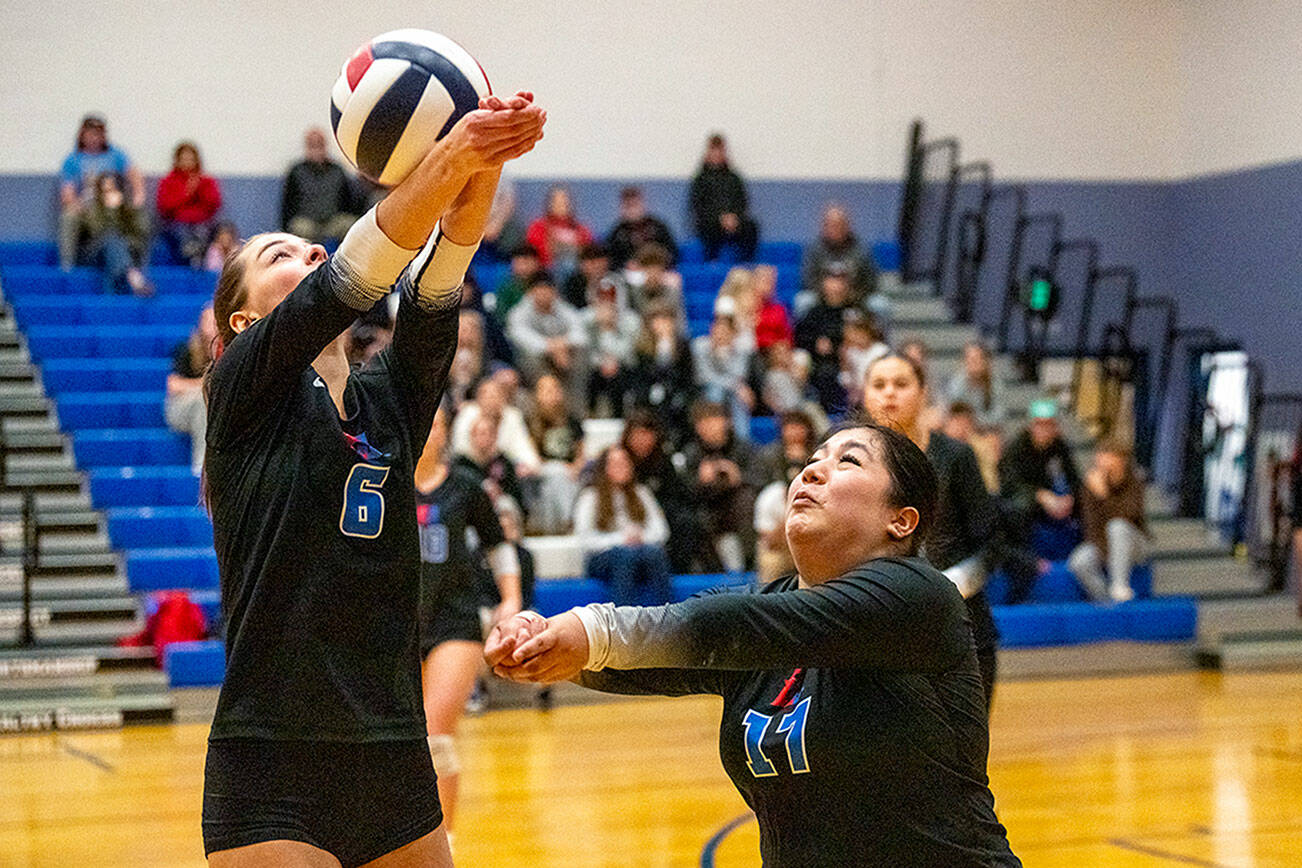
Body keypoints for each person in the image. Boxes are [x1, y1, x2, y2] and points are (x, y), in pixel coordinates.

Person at [200, 91, 544, 867]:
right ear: (245, 326)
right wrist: (452, 151)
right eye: (279, 255)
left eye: (307, 246)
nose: (309, 255)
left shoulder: (388, 403)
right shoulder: (241, 389)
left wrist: (484, 158)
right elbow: (354, 275)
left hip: (392, 753)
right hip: (274, 756)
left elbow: (439, 278)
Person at [486, 415, 1021, 868]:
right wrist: (546, 647)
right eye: (814, 458)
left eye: (848, 462)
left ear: (900, 521)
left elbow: (724, 627)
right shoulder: (765, 619)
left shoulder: (917, 595)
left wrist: (589, 630)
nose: (811, 470)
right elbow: (642, 660)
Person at [862, 353, 1002, 712]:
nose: (889, 393)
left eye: (901, 383)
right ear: (864, 395)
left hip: (960, 629)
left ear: (923, 393)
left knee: (962, 756)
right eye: (879, 385)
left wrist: (948, 586)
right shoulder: (852, 462)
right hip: (881, 634)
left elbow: (991, 541)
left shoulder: (955, 457)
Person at [414, 408, 522, 834]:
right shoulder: (378, 483)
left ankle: (444, 845)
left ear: (445, 433)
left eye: (435, 423)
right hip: (394, 626)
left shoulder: (464, 487)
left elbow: (499, 544)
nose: (427, 430)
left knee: (435, 738)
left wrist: (510, 598)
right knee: (397, 744)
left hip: (453, 621)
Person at [573, 446, 673, 606]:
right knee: (624, 555)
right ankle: (624, 620)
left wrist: (640, 537)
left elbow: (661, 531)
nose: (622, 467)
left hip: (640, 551)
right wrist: (621, 539)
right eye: (615, 463)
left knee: (655, 553)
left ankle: (667, 617)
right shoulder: (590, 497)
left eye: (625, 462)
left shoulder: (642, 492)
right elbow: (586, 540)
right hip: (604, 557)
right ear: (603, 468)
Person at [621, 409, 711, 574]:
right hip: (629, 515)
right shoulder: (619, 460)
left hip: (662, 514)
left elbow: (680, 495)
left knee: (686, 520)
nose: (642, 440)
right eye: (637, 434)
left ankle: (680, 570)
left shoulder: (663, 461)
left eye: (647, 434)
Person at [58, 114, 145, 270]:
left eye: (98, 133)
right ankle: (67, 266)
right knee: (68, 216)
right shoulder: (72, 160)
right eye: (90, 133)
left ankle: (138, 266)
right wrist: (76, 206)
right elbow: (67, 193)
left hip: (113, 206)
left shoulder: (116, 155)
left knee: (140, 217)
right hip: (85, 209)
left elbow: (134, 176)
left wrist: (138, 196)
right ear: (82, 135)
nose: (94, 137)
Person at [999, 399, 1082, 560]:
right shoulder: (1016, 448)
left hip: (1051, 497)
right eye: (1039, 424)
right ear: (1031, 426)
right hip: (1022, 496)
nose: (1044, 430)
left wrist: (1070, 498)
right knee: (1020, 508)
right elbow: (1010, 484)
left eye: (1049, 425)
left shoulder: (1059, 445)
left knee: (1084, 500)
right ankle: (1025, 558)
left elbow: (1074, 478)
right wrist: (1040, 495)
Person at [682, 400, 759, 572]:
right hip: (707, 509)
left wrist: (738, 478)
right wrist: (701, 482)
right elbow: (684, 492)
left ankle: (749, 564)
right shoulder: (692, 453)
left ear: (726, 422)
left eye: (714, 420)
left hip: (737, 508)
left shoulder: (743, 448)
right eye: (704, 423)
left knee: (746, 500)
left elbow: (760, 482)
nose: (710, 427)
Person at [1068, 440, 1149, 602]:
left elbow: (1129, 516)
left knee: (1117, 527)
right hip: (1102, 543)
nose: (1102, 461)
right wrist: (1106, 551)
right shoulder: (1090, 484)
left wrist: (1104, 495)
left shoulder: (1134, 480)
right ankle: (1106, 601)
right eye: (1100, 456)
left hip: (1133, 542)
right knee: (1079, 561)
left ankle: (1120, 585)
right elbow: (1090, 525)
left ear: (1121, 459)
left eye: (1108, 456)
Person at [505, 271, 588, 411]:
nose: (544, 294)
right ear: (530, 292)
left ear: (554, 292)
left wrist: (562, 345)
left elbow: (581, 335)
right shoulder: (519, 313)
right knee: (532, 356)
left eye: (547, 290)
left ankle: (576, 412)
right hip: (530, 365)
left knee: (580, 354)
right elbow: (522, 337)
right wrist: (553, 347)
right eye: (539, 290)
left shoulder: (563, 308)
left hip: (563, 361)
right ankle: (541, 409)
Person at [525, 373, 586, 534]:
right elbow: (531, 455)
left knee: (563, 481)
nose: (550, 394)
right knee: (557, 473)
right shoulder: (530, 422)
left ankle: (560, 526)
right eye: (545, 390)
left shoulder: (572, 420)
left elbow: (581, 453)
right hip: (544, 471)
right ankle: (568, 521)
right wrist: (559, 467)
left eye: (554, 389)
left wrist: (576, 467)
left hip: (570, 474)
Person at [627, 305, 696, 445]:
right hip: (648, 394)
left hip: (676, 393)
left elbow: (687, 376)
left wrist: (667, 347)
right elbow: (640, 376)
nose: (662, 324)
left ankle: (677, 445)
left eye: (666, 319)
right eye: (658, 320)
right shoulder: (641, 347)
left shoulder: (682, 346)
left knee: (681, 407)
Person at [279, 127, 361, 243]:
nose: (316, 149)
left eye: (319, 144)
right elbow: (287, 204)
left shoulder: (337, 170)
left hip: (332, 221)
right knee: (301, 228)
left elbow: (349, 200)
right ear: (307, 147)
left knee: (348, 224)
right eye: (313, 145)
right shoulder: (296, 171)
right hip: (307, 221)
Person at [76, 173, 152, 296]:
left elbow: (141, 234)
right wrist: (111, 211)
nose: (108, 194)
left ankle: (119, 288)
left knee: (115, 253)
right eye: (104, 191)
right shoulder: (93, 209)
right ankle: (134, 278)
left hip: (122, 254)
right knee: (111, 238)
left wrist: (124, 210)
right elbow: (97, 232)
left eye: (112, 189)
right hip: (95, 254)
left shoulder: (131, 210)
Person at [688, 133, 758, 262]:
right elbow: (697, 207)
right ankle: (711, 261)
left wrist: (734, 218)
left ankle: (746, 262)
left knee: (751, 227)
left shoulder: (734, 178)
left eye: (719, 150)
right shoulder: (700, 180)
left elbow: (742, 203)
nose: (716, 154)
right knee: (708, 228)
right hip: (711, 222)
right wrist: (720, 219)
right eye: (713, 150)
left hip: (734, 221)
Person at [165, 306, 217, 473]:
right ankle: (201, 467)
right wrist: (204, 384)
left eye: (216, 322)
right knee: (202, 401)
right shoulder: (187, 349)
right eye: (209, 322)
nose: (212, 327)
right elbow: (174, 384)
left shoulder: (229, 350)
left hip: (213, 407)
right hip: (182, 408)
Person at [156, 141, 222, 267]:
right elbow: (164, 207)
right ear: (177, 160)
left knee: (204, 232)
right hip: (177, 224)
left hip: (201, 224)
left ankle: (195, 256)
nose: (187, 162)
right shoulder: (168, 181)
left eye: (191, 158)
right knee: (181, 233)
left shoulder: (206, 181)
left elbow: (214, 204)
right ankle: (192, 257)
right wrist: (187, 193)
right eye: (183, 158)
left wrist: (200, 189)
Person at [800, 204, 877, 302]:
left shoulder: (862, 249)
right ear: (824, 227)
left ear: (847, 226)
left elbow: (871, 279)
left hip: (856, 294)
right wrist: (827, 290)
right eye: (831, 225)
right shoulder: (813, 249)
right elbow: (807, 279)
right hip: (821, 295)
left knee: (879, 304)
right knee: (803, 301)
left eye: (840, 224)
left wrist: (851, 292)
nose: (836, 229)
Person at [525, 185, 592, 278]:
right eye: (556, 201)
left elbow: (588, 256)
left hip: (576, 276)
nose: (561, 204)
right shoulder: (537, 227)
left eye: (565, 201)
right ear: (549, 203)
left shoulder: (581, 230)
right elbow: (532, 256)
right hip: (544, 275)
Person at [605, 185, 677, 269]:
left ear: (642, 204)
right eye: (628, 206)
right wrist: (625, 265)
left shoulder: (658, 227)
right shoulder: (618, 232)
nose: (632, 210)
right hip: (630, 273)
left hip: (658, 270)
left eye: (635, 204)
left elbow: (673, 252)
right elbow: (611, 259)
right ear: (622, 208)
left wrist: (659, 263)